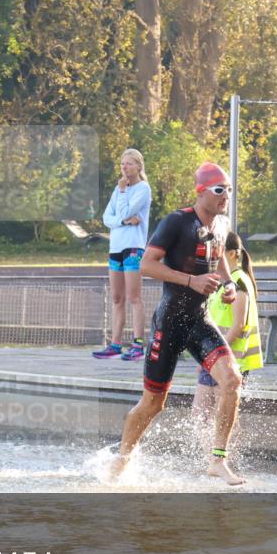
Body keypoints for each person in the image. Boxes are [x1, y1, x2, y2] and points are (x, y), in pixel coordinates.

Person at [111, 162, 245, 485]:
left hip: (200, 321)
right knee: (153, 404)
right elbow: (146, 265)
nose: (225, 195)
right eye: (219, 190)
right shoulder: (176, 222)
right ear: (201, 193)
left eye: (228, 190)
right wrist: (191, 281)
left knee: (232, 380)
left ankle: (218, 460)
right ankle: (122, 461)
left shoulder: (222, 225)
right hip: (169, 323)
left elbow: (221, 260)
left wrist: (228, 286)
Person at [191, 231, 262, 435]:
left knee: (204, 415)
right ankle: (222, 460)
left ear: (231, 253)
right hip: (220, 356)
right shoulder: (227, 281)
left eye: (218, 252)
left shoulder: (239, 282)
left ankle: (217, 460)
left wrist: (210, 356)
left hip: (225, 357)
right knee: (218, 414)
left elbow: (238, 325)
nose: (213, 257)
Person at [93, 149, 151, 361]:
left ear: (138, 167)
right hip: (115, 248)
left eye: (129, 164)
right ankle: (115, 344)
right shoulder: (118, 190)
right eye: (122, 164)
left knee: (134, 297)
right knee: (117, 298)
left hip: (133, 247)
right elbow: (108, 217)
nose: (124, 167)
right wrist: (123, 221)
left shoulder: (142, 189)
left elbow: (126, 211)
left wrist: (124, 196)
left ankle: (138, 344)